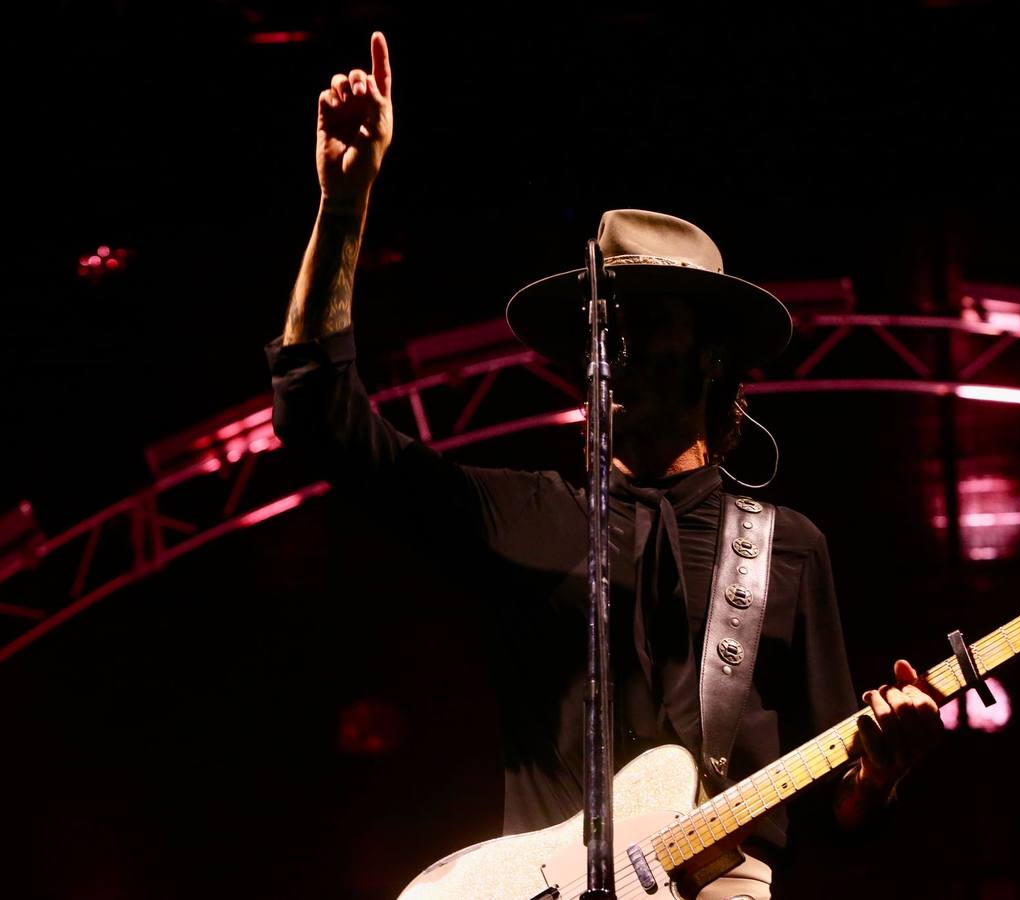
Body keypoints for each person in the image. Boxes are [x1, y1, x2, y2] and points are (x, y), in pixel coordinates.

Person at [265, 31, 942, 899]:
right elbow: (320, 419)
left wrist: (882, 772)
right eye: (605, 316)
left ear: (711, 355)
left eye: (647, 316)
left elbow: (836, 813)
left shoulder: (789, 548)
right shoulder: (520, 517)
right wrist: (344, 210)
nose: (617, 335)